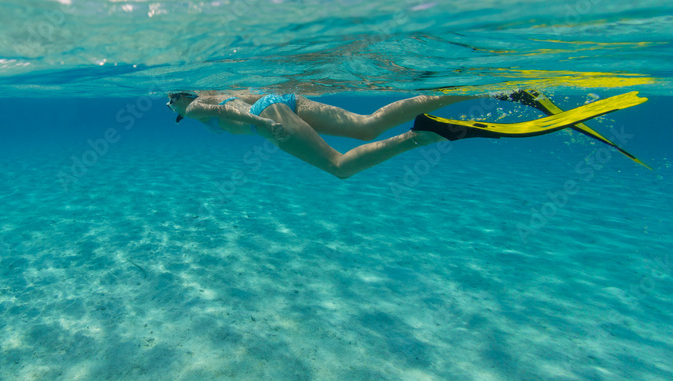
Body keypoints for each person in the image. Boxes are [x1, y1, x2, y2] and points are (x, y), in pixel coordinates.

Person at [165, 90, 649, 179]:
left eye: (171, 100)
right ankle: (491, 90)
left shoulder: (200, 102)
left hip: (272, 118)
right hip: (283, 99)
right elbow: (237, 97)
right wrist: (267, 109)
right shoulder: (212, 89)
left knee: (339, 168)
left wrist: (259, 124)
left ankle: (431, 135)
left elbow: (225, 108)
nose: (171, 108)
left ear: (181, 95)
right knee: (370, 122)